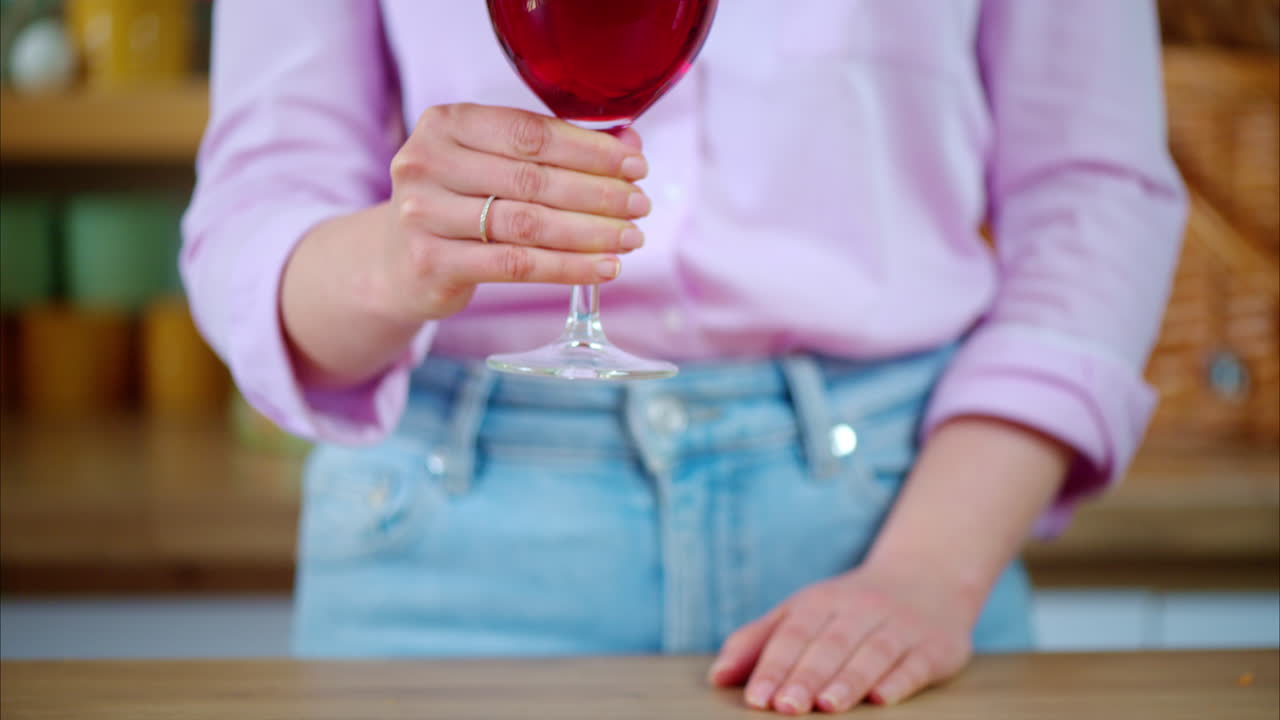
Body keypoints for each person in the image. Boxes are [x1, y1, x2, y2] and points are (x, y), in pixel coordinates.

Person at [182, 1, 1185, 714]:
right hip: (447, 544)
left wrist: (928, 570)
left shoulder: (920, 565)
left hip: (900, 528)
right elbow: (255, 206)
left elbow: (1092, 193)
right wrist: (401, 258)